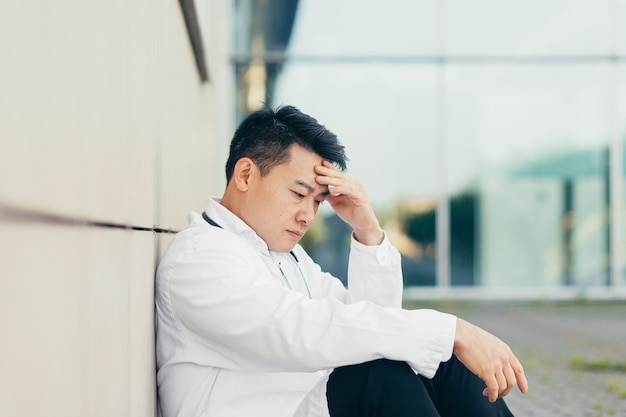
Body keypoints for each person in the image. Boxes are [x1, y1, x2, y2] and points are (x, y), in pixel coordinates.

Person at [155, 105, 528, 417]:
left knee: (435, 360)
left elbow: (371, 323)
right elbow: (302, 331)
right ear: (246, 174)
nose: (308, 215)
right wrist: (450, 329)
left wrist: (367, 229)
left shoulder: (285, 256)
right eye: (299, 193)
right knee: (380, 375)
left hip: (308, 407)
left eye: (317, 201)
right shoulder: (200, 258)